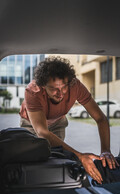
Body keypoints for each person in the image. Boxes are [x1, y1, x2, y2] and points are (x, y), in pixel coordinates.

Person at [19, 56, 119, 184]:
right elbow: (42, 132)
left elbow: (100, 118)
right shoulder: (33, 91)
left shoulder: (75, 86)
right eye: (54, 89)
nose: (60, 94)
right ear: (43, 86)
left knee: (56, 156)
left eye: (63, 88)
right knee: (31, 158)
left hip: (57, 121)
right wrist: (80, 156)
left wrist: (106, 150)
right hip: (32, 123)